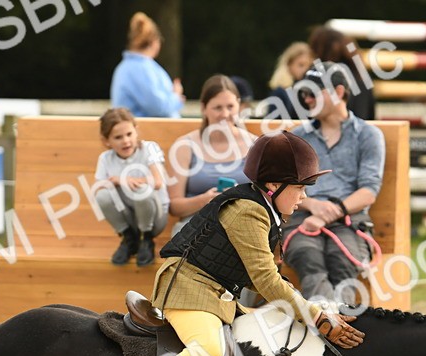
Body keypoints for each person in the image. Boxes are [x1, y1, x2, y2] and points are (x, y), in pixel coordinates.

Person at [105, 130, 365, 356]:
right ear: (274, 186)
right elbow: (267, 281)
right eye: (300, 188)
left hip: (218, 292)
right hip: (186, 286)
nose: (303, 197)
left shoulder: (266, 211)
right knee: (209, 349)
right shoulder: (248, 211)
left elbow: (269, 281)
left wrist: (320, 310)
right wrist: (315, 316)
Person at [280, 60, 384, 305]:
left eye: (313, 93)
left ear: (339, 92)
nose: (306, 99)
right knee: (309, 257)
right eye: (304, 93)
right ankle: (336, 327)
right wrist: (313, 207)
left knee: (342, 260)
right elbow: (284, 186)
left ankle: (331, 327)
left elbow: (369, 191)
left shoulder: (368, 135)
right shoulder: (297, 136)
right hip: (302, 217)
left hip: (350, 220)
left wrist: (326, 214)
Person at [166, 74, 256, 235]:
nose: (225, 114)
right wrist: (205, 201)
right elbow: (174, 206)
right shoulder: (185, 146)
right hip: (196, 226)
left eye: (230, 107)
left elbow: (268, 197)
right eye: (217, 108)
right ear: (203, 109)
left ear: (239, 106)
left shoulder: (254, 145)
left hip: (243, 225)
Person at [94, 108, 169, 267]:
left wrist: (128, 180)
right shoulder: (105, 158)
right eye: (118, 137)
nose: (126, 141)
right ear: (106, 141)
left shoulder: (149, 148)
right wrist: (118, 181)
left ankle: (146, 240)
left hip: (154, 217)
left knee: (140, 190)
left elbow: (157, 181)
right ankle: (129, 239)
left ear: (136, 131)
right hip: (130, 216)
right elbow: (98, 188)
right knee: (102, 195)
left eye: (129, 134)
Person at [110, 12, 184, 118]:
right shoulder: (142, 69)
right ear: (154, 42)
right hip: (147, 133)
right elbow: (157, 107)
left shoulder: (124, 67)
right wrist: (176, 96)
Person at [264, 41, 313, 120]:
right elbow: (272, 124)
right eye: (301, 65)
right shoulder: (280, 92)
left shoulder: (308, 90)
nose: (305, 70)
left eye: (309, 65)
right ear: (289, 64)